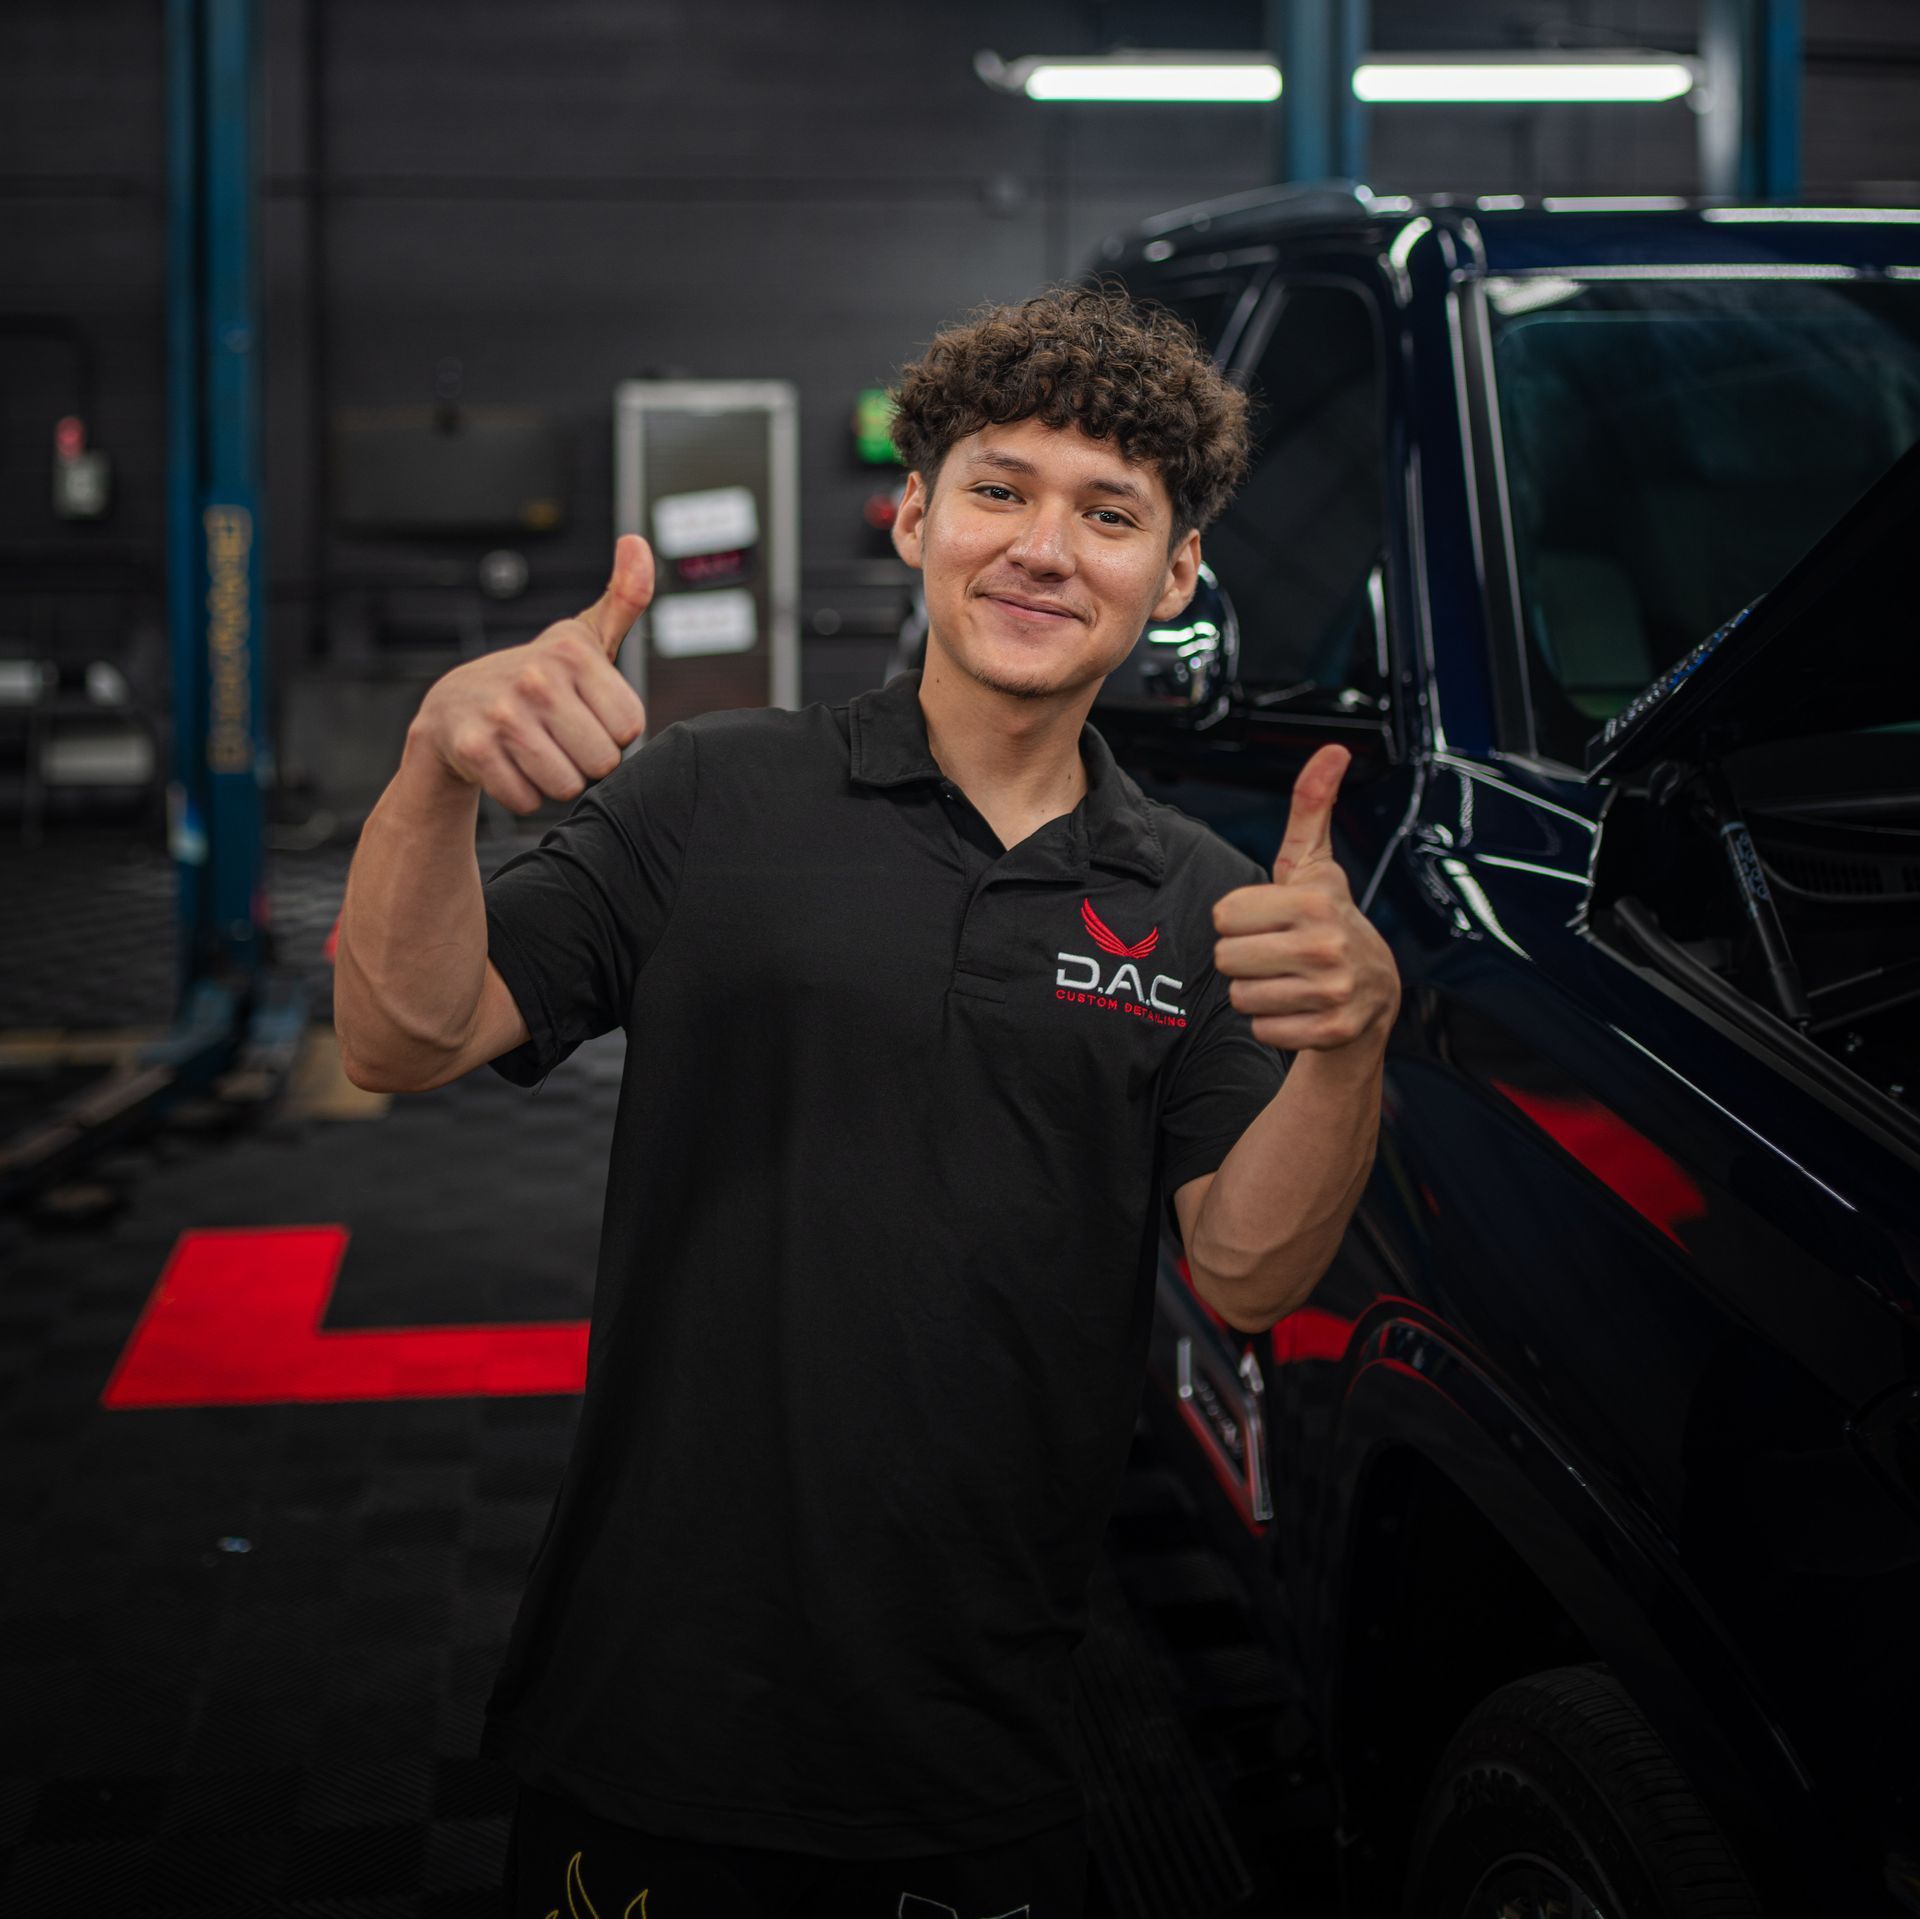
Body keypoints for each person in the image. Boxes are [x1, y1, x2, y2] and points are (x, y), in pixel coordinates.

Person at [333, 282, 1401, 1919]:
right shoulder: (712, 792)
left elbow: (1251, 1270)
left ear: (1178, 572)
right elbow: (402, 1036)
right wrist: (429, 776)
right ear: (913, 515)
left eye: (1110, 514)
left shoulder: (1199, 899)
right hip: (649, 1709)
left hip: (983, 1747)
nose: (1046, 548)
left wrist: (1349, 1046)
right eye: (1000, 490)